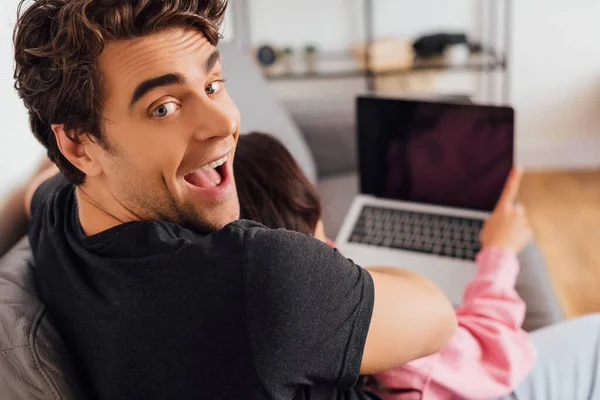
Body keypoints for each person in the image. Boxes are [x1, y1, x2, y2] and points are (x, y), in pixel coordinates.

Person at [10, 1, 458, 399]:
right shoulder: (261, 280)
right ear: (79, 146)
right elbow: (438, 315)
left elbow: (40, 181)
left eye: (212, 84)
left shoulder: (59, 215)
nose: (223, 122)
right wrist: (322, 263)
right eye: (164, 107)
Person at [235, 132, 600, 400]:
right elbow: (493, 357)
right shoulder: (346, 318)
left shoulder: (241, 291)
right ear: (299, 202)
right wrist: (499, 252)